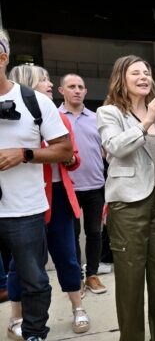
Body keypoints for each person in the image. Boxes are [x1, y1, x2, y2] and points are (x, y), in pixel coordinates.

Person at [97, 55, 155, 341]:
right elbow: (115, 148)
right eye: (136, 72)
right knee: (130, 275)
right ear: (121, 78)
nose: (144, 77)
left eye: (147, 72)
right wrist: (146, 120)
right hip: (128, 202)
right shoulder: (109, 112)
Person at [0, 28, 74, 341]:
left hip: (24, 209)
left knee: (34, 279)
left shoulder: (35, 101)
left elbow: (64, 149)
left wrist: (25, 154)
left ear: (3, 57)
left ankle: (34, 336)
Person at [6, 65, 88, 341]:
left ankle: (78, 307)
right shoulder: (15, 116)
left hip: (59, 196)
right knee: (23, 262)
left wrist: (66, 156)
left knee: (67, 255)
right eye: (44, 80)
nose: (50, 84)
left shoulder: (57, 117)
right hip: (26, 198)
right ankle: (16, 317)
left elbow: (72, 157)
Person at [59, 73, 110, 292]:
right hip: (67, 187)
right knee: (71, 235)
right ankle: (76, 278)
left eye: (81, 87)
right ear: (62, 90)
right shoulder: (54, 117)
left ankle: (92, 275)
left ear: (86, 91)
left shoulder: (96, 118)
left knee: (94, 233)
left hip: (95, 186)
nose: (77, 90)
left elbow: (107, 150)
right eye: (72, 86)